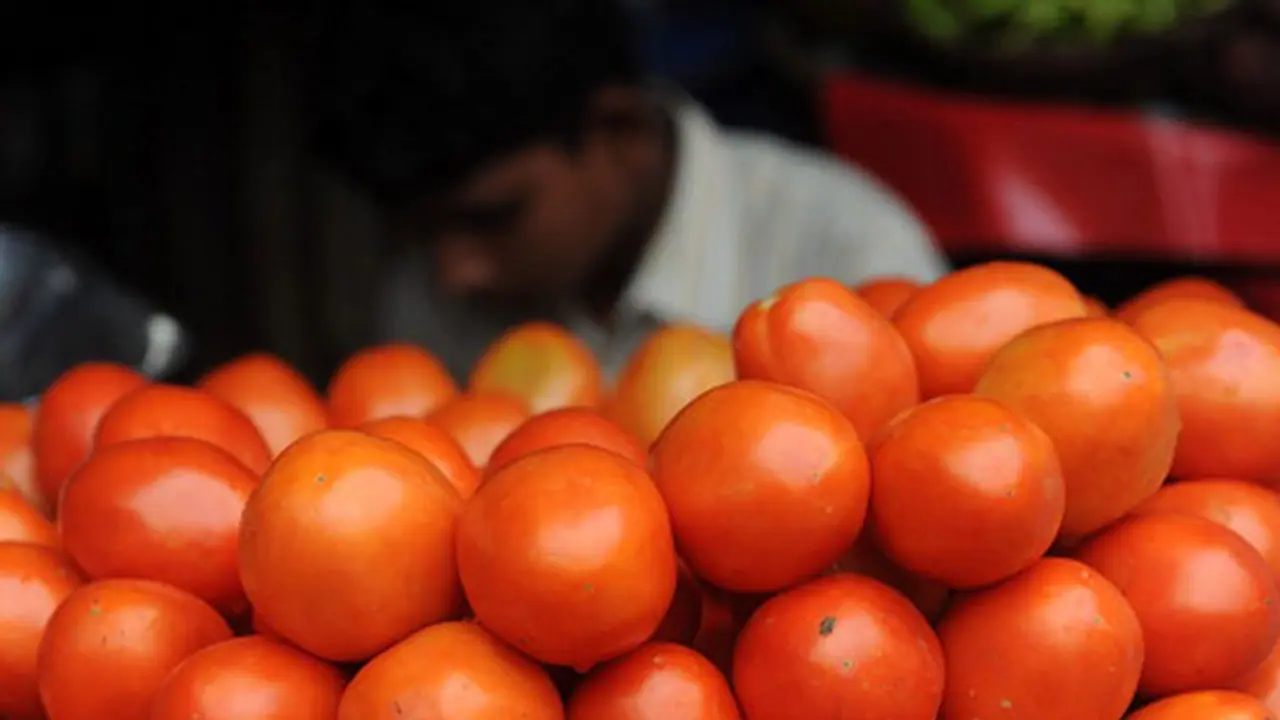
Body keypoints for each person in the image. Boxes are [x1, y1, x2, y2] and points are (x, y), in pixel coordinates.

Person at [305, 1, 949, 380]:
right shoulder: (423, 308)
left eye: (493, 217)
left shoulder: (845, 252)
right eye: (418, 231)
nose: (455, 273)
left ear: (618, 130)